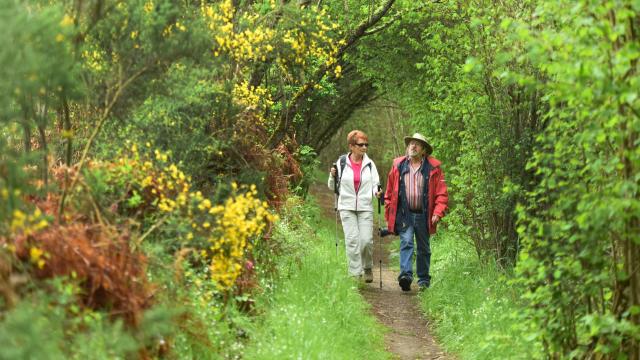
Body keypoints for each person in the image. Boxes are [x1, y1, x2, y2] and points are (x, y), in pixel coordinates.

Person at [384, 132, 448, 292]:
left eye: (417, 144)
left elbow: (442, 193)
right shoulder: (398, 165)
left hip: (424, 214)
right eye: (411, 143)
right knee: (406, 242)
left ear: (424, 150)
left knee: (424, 248)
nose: (413, 146)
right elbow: (390, 191)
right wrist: (389, 211)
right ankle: (405, 276)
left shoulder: (434, 168)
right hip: (404, 213)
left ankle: (423, 280)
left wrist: (437, 212)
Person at [328, 130, 381, 283]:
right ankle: (354, 275)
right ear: (351, 146)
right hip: (346, 206)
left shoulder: (370, 165)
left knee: (365, 241)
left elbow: (375, 184)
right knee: (352, 240)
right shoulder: (341, 162)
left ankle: (367, 266)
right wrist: (332, 175)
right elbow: (332, 187)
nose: (364, 147)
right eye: (360, 144)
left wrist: (377, 192)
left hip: (365, 207)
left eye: (366, 144)